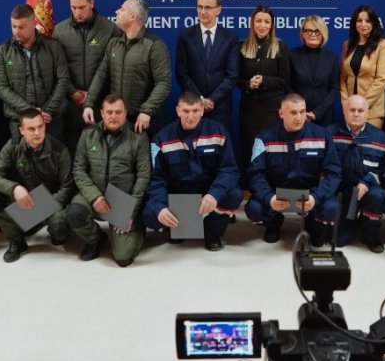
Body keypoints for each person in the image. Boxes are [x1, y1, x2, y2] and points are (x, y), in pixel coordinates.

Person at [143, 91, 242, 251]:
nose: (191, 116)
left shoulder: (218, 132)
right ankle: (177, 228)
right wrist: (160, 207)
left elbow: (229, 170)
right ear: (178, 111)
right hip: (178, 196)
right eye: (186, 111)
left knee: (234, 195)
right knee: (150, 214)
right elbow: (157, 180)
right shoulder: (161, 139)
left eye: (195, 110)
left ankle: (213, 233)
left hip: (207, 194)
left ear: (202, 110)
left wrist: (214, 194)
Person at [245, 93, 341, 245]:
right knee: (254, 209)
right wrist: (269, 198)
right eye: (293, 112)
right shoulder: (264, 138)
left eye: (302, 112)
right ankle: (273, 225)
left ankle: (314, 226)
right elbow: (255, 174)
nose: (299, 117)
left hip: (310, 194)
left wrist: (315, 197)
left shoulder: (322, 136)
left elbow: (334, 173)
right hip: (277, 193)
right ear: (281, 114)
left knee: (332, 208)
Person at [68, 94, 150, 266]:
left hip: (123, 199)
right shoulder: (88, 135)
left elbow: (143, 176)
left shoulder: (138, 137)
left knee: (122, 258)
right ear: (102, 113)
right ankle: (96, 239)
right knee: (75, 213)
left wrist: (130, 211)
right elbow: (79, 170)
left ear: (125, 113)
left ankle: (137, 228)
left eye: (118, 112)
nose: (114, 116)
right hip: (95, 194)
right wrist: (94, 196)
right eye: (109, 112)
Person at [0, 108, 74, 262]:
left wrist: (41, 209)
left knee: (59, 233)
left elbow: (67, 188)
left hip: (50, 201)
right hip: (25, 200)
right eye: (31, 129)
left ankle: (37, 223)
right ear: (21, 130)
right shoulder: (12, 146)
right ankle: (17, 240)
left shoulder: (60, 151)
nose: (37, 133)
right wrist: (14, 188)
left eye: (40, 127)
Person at [83, 0, 171, 136]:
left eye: (122, 9)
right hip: (117, 120)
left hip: (142, 122)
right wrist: (89, 103)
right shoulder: (114, 43)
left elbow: (163, 83)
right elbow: (101, 75)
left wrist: (147, 111)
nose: (117, 11)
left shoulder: (154, 45)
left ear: (133, 16)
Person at [52, 0, 119, 151]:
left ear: (91, 3)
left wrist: (93, 95)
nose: (77, 12)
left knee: (101, 152)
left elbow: (113, 68)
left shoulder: (110, 29)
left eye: (81, 7)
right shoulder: (59, 31)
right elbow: (57, 67)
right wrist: (73, 92)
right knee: (74, 152)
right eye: (73, 8)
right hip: (71, 104)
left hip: (101, 102)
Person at [0, 4, 69, 140]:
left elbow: (62, 79)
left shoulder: (53, 46)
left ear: (34, 23)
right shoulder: (2, 51)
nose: (16, 31)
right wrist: (30, 111)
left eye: (21, 27)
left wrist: (47, 110)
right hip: (19, 119)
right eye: (14, 26)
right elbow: (1, 87)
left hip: (51, 117)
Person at [326, 94, 385, 253]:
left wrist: (367, 182)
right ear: (344, 112)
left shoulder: (381, 138)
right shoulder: (329, 133)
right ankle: (349, 221)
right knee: (339, 241)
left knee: (377, 195)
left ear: (368, 113)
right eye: (352, 110)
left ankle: (370, 235)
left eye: (360, 110)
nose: (356, 114)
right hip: (340, 190)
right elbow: (323, 165)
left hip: (367, 190)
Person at [175, 0, 239, 128]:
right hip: (192, 107)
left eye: (208, 7)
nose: (202, 12)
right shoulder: (185, 36)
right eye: (200, 7)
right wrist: (200, 99)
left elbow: (232, 75)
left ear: (218, 10)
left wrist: (212, 100)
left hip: (220, 108)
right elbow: (182, 73)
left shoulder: (230, 38)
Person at [237, 5, 290, 169]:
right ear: (252, 23)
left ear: (272, 25)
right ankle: (250, 182)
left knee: (272, 149)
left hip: (272, 109)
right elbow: (236, 79)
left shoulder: (280, 47)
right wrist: (248, 84)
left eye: (267, 22)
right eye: (258, 21)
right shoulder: (241, 46)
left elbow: (285, 80)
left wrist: (265, 81)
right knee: (249, 149)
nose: (262, 25)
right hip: (250, 109)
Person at [339, 5, 385, 129]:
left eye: (368, 21)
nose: (363, 24)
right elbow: (342, 77)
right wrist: (346, 103)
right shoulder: (347, 45)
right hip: (349, 110)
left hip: (371, 110)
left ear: (374, 23)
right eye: (359, 20)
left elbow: (382, 79)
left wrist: (362, 105)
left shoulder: (383, 45)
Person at [289, 15, 339, 127]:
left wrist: (317, 113)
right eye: (308, 31)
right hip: (297, 116)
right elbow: (288, 86)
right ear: (303, 33)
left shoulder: (331, 57)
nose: (313, 34)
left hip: (325, 117)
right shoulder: (292, 55)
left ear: (323, 33)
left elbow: (334, 88)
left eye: (317, 31)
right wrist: (301, 111)